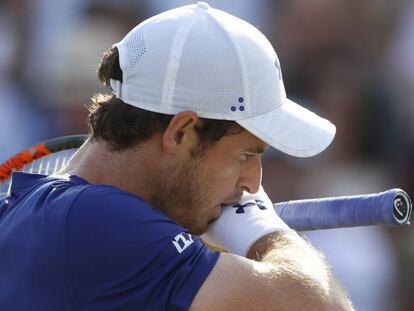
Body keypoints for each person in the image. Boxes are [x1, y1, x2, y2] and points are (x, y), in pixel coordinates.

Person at [0, 2, 354, 310]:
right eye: (246, 154)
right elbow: (325, 307)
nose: (252, 183)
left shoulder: (29, 211)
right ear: (181, 132)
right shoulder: (99, 220)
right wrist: (262, 227)